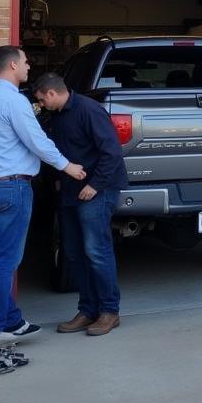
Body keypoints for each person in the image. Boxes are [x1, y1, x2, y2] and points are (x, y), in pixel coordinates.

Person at [0, 46, 86, 347]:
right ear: (12, 65)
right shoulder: (14, 101)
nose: (28, 65)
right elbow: (37, 141)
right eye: (25, 61)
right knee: (6, 261)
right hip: (12, 187)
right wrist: (68, 166)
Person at [34, 72, 129, 336]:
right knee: (74, 252)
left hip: (98, 190)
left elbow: (112, 151)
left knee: (96, 252)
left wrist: (95, 185)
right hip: (70, 192)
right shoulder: (56, 115)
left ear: (52, 93)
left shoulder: (89, 110)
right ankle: (87, 310)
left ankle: (109, 312)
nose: (41, 104)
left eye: (42, 100)